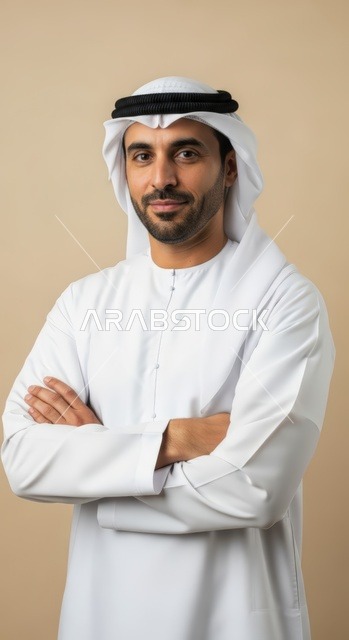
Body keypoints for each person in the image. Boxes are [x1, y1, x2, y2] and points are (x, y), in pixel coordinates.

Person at [2, 76, 335, 640]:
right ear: (124, 170)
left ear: (230, 167)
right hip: (99, 617)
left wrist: (100, 472)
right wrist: (178, 439)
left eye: (186, 152)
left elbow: (255, 488)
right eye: (142, 156)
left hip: (233, 619)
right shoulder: (84, 302)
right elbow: (22, 458)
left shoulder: (284, 299)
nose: (162, 178)